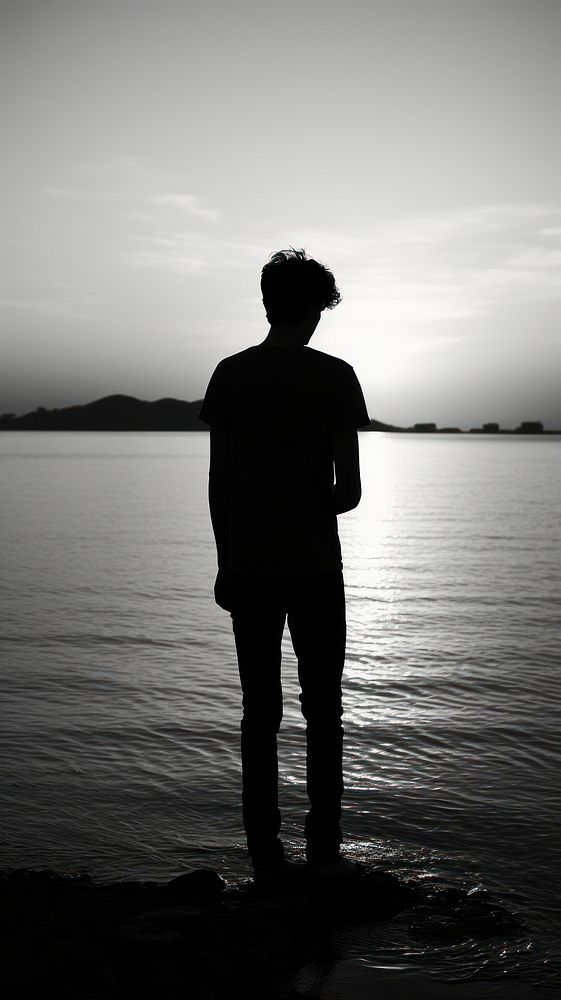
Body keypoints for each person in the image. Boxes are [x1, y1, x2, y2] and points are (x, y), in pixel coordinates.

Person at [199, 248, 370, 880]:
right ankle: (324, 847)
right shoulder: (336, 376)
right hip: (316, 567)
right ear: (316, 308)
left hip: (249, 565)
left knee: (258, 710)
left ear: (268, 302)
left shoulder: (230, 375)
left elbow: (219, 483)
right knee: (324, 709)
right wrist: (306, 501)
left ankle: (263, 853)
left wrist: (226, 558)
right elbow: (347, 492)